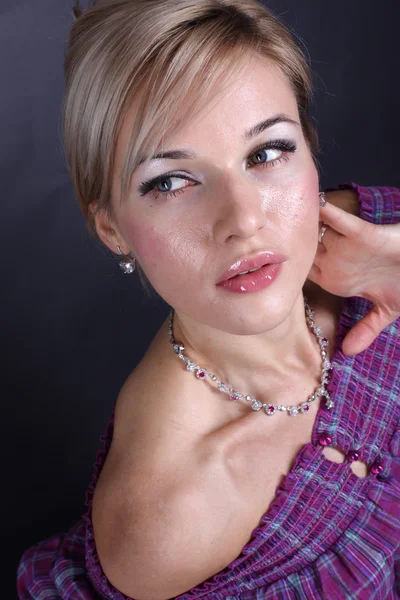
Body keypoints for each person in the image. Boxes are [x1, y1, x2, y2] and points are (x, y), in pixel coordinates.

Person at [17, 0, 400, 598]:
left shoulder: (381, 238)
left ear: (310, 146)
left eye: (267, 152)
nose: (243, 222)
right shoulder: (172, 519)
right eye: (171, 181)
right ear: (111, 226)